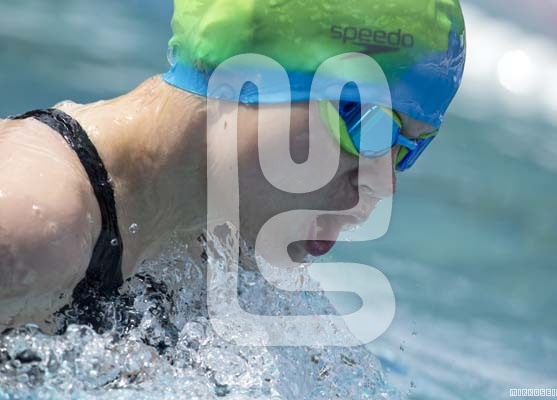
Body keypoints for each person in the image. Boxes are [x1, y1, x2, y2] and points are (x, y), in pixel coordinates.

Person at [0, 0, 466, 332]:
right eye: (368, 126)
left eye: (408, 150)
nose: (382, 183)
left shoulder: (215, 250)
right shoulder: (30, 224)